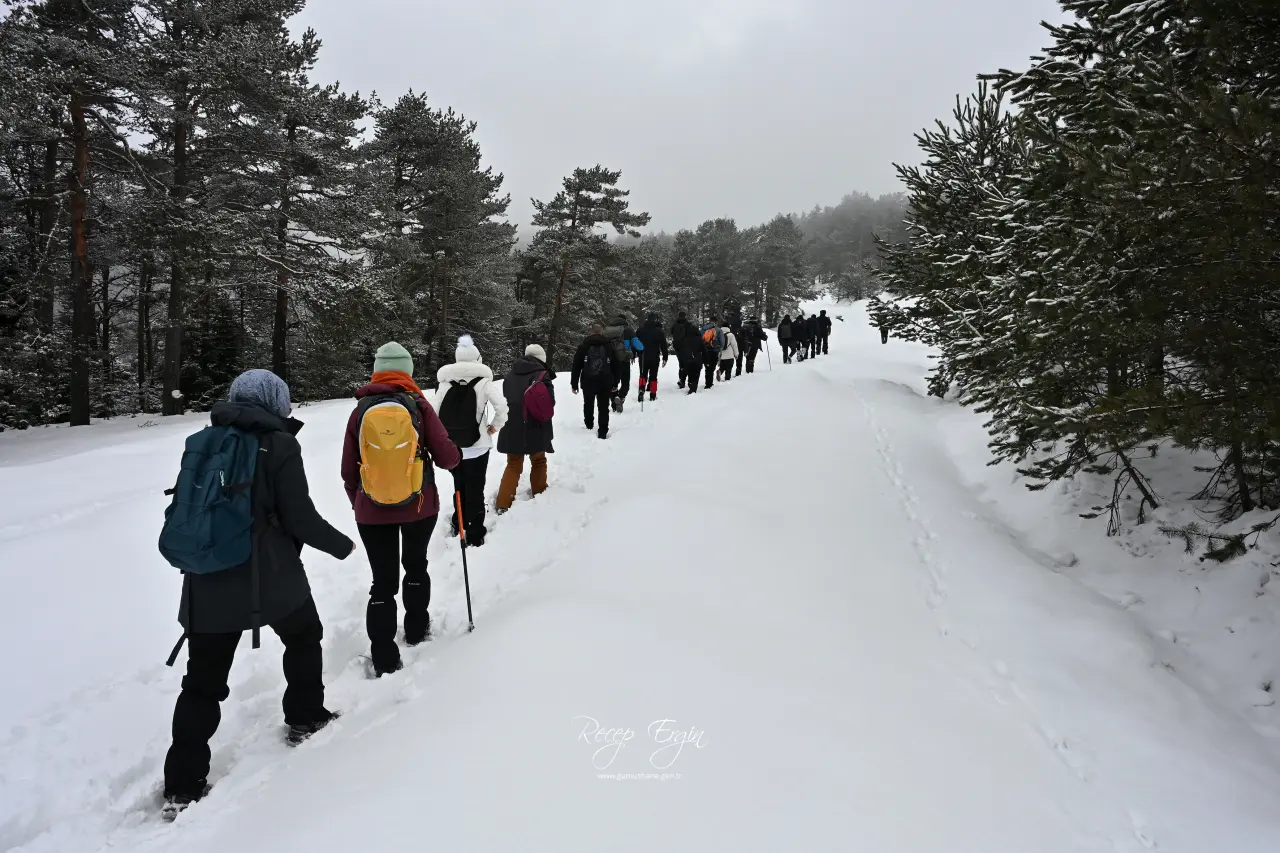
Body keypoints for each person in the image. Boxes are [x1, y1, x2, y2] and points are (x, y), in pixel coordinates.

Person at [163, 369, 356, 817]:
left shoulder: (202, 441)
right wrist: (342, 545)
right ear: (276, 402)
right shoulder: (280, 445)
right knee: (305, 635)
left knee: (202, 681)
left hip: (206, 577)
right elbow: (299, 517)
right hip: (268, 576)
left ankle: (181, 783)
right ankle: (305, 716)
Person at [341, 343, 461, 678]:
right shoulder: (419, 405)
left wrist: (362, 503)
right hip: (418, 507)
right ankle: (416, 630)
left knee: (382, 581)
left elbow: (348, 471)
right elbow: (447, 457)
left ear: (377, 370)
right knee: (416, 566)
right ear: (407, 371)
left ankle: (383, 657)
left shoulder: (361, 410)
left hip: (371, 513)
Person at [430, 335, 509, 548]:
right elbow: (502, 407)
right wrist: (494, 426)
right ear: (477, 359)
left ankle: (459, 523)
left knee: (459, 486)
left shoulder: (444, 384)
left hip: (454, 446)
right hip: (478, 445)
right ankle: (475, 532)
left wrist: (441, 439)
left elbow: (433, 414)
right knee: (476, 488)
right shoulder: (484, 382)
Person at [496, 344, 557, 508]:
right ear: (541, 359)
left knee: (513, 464)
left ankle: (503, 503)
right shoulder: (542, 375)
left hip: (512, 426)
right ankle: (540, 495)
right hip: (535, 427)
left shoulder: (510, 375)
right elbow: (550, 403)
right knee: (538, 461)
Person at [571, 323, 624, 439]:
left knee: (588, 403)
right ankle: (603, 430)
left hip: (588, 381)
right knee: (604, 406)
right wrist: (616, 383)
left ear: (590, 332)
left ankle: (589, 424)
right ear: (602, 332)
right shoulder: (609, 346)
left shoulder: (583, 346)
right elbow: (617, 365)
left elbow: (576, 366)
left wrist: (574, 384)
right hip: (605, 381)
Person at [602, 314, 641, 413]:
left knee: (613, 382)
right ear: (625, 320)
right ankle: (621, 397)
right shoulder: (628, 329)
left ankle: (613, 402)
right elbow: (637, 344)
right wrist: (642, 348)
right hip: (624, 359)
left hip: (611, 361)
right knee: (625, 382)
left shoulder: (608, 330)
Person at [635, 313, 669, 401]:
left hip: (643, 356)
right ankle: (653, 394)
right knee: (654, 376)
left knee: (643, 375)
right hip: (654, 357)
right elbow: (663, 345)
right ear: (655, 320)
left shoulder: (640, 330)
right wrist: (665, 357)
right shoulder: (659, 331)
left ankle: (641, 390)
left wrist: (634, 353)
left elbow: (635, 342)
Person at [670, 311, 700, 392]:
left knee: (681, 364)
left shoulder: (674, 326)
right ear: (685, 316)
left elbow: (672, 333)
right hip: (687, 348)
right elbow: (697, 334)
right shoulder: (689, 325)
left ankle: (681, 380)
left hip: (677, 348)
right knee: (688, 363)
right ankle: (689, 381)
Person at [699, 316, 722, 390]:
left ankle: (707, 383)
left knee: (707, 368)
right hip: (714, 351)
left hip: (705, 351)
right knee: (711, 368)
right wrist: (719, 349)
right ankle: (709, 384)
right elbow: (722, 342)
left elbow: (699, 339)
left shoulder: (703, 329)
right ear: (716, 322)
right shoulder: (718, 330)